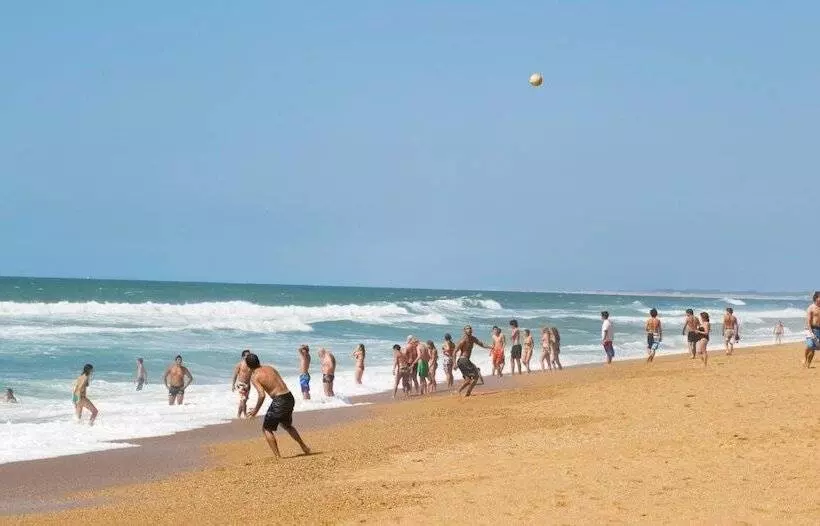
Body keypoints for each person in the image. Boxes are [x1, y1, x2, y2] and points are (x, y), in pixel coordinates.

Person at [245, 353, 311, 459]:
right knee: (287, 426)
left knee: (266, 428)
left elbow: (261, 395)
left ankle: (278, 456)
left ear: (248, 366)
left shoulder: (255, 376)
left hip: (279, 401)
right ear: (258, 361)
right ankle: (304, 447)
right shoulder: (270, 368)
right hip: (289, 397)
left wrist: (255, 411)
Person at [454, 325, 490, 397]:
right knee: (476, 377)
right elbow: (454, 352)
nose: (469, 330)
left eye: (470, 328)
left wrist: (490, 347)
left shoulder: (473, 339)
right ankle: (468, 393)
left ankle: (458, 392)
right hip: (463, 360)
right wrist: (454, 364)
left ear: (472, 330)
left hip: (464, 360)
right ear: (464, 331)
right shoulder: (463, 340)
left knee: (467, 380)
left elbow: (481, 344)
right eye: (467, 329)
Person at [231, 349, 252, 418]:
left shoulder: (251, 365)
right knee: (243, 400)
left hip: (248, 385)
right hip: (241, 384)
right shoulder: (240, 364)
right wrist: (233, 385)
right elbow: (235, 375)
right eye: (247, 355)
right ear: (243, 357)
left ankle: (238, 415)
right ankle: (245, 414)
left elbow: (253, 375)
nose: (248, 356)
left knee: (244, 400)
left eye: (249, 355)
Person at [804, 292, 820, 368]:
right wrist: (811, 333)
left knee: (814, 349)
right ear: (816, 298)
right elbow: (808, 322)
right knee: (810, 345)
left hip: (819, 330)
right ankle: (805, 358)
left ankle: (808, 364)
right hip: (811, 329)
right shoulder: (811, 308)